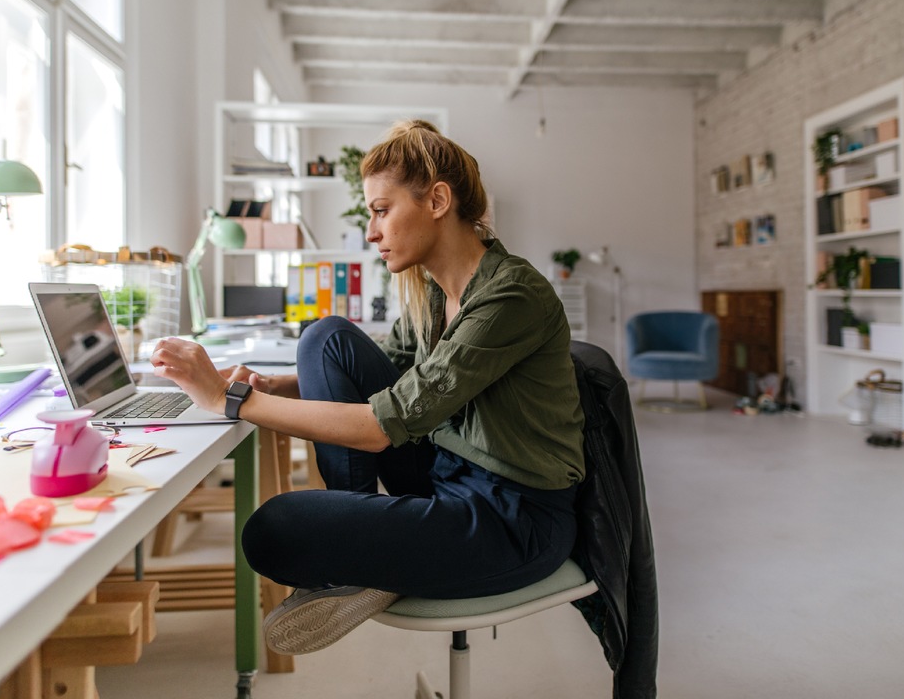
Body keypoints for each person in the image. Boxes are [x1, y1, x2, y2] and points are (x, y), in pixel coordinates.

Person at [149, 119, 585, 655]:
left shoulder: (511, 295)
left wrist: (229, 399)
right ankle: (368, 557)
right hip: (443, 474)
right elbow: (397, 375)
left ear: (438, 201)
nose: (371, 232)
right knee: (323, 338)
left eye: (381, 211)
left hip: (512, 519)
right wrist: (275, 386)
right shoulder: (431, 290)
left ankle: (368, 555)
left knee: (272, 531)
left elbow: (383, 424)